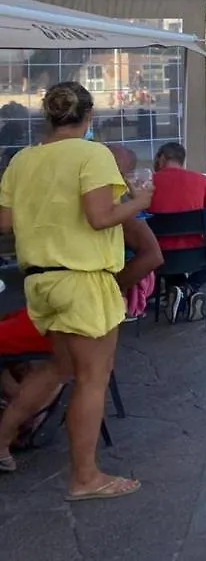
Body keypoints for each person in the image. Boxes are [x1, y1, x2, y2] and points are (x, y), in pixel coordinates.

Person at [0, 83, 152, 498]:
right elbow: (101, 218)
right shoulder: (92, 154)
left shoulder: (22, 160)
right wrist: (141, 201)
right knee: (92, 379)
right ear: (89, 117)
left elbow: (5, 224)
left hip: (40, 282)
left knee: (60, 368)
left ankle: (3, 439)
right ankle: (85, 477)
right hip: (81, 279)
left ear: (47, 116)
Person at [150, 142, 206, 323]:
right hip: (196, 251)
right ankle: (190, 288)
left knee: (165, 257)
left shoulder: (149, 183)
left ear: (161, 158)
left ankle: (179, 290)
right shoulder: (200, 180)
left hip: (159, 254)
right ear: (182, 160)